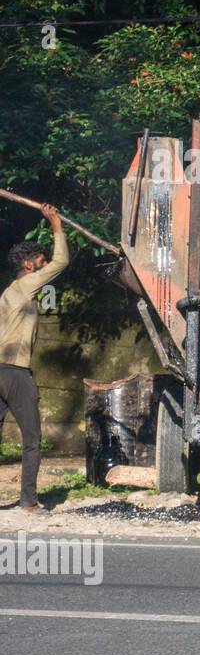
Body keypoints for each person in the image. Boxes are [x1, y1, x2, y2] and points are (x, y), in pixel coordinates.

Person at [1, 204, 69, 513]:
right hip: (14, 373)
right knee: (32, 438)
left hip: (8, 371)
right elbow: (62, 261)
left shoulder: (8, 294)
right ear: (28, 265)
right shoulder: (25, 285)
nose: (44, 267)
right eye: (39, 262)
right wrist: (55, 224)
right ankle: (28, 501)